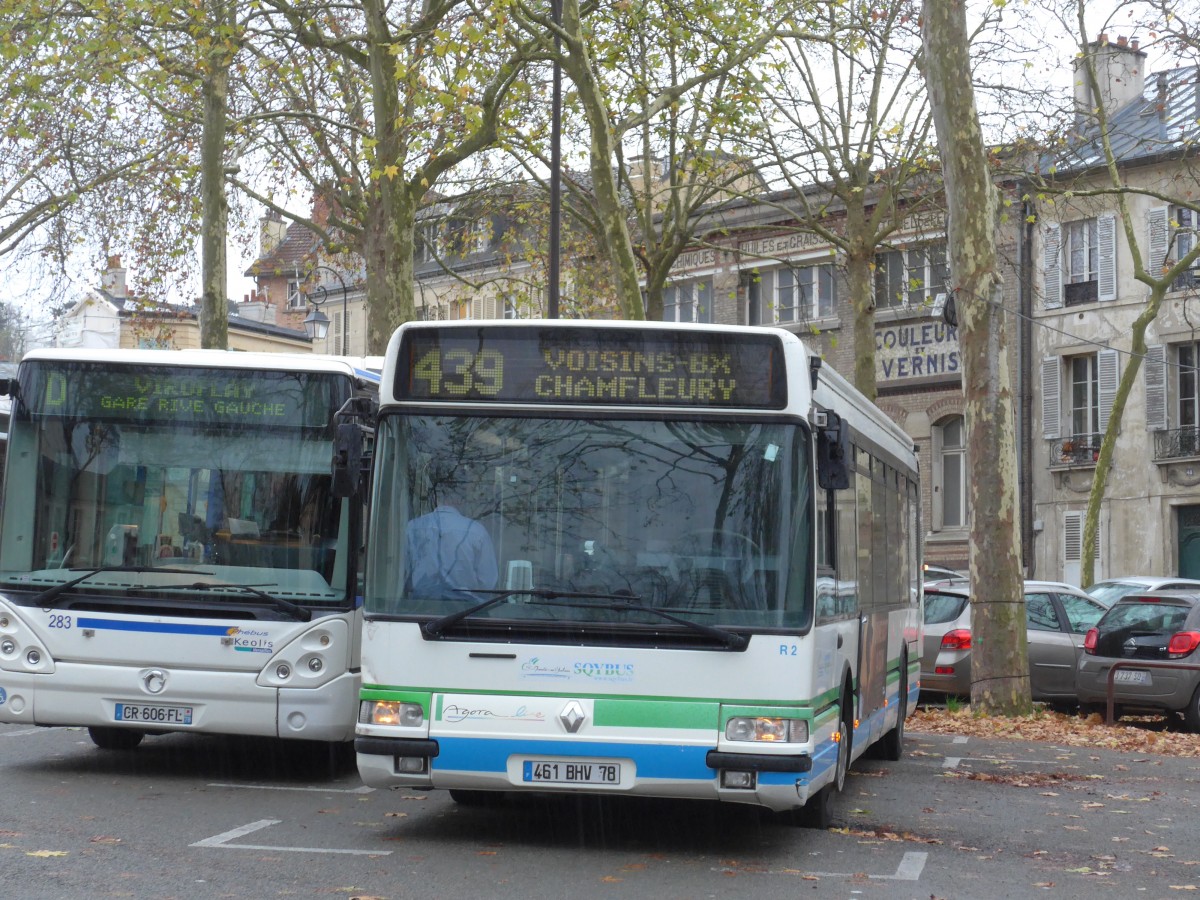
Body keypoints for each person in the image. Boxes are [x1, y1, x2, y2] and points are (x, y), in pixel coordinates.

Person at [404, 475, 499, 601]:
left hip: (419, 609)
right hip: (467, 612)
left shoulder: (412, 528)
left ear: (436, 498)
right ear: (461, 499)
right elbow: (487, 583)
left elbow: (402, 575)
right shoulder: (477, 531)